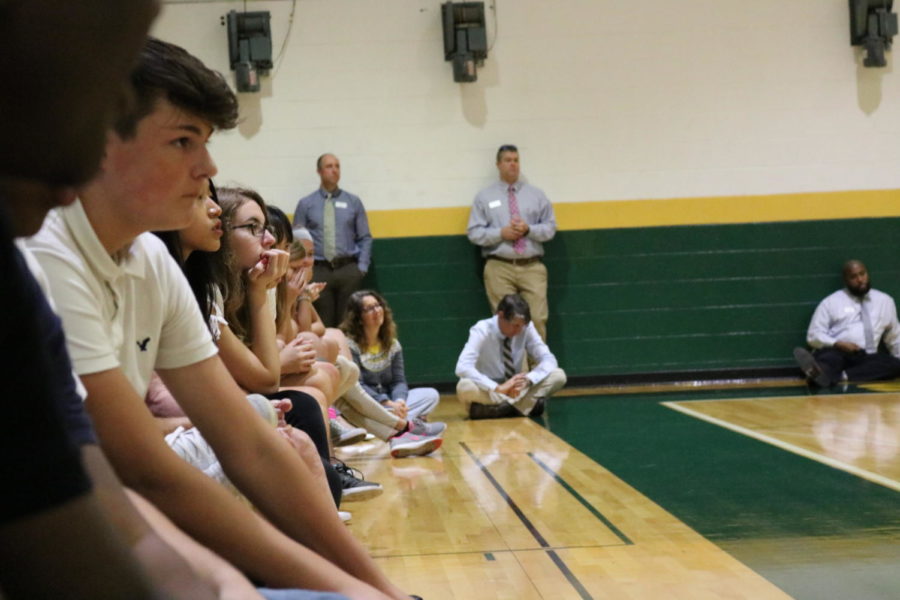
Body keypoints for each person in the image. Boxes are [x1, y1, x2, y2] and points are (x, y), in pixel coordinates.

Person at [27, 37, 407, 600]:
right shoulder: (45, 256)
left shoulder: (150, 259)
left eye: (205, 142)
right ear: (101, 141)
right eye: (183, 141)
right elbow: (143, 469)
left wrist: (380, 588)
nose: (207, 168)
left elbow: (247, 445)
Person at [467, 144, 557, 340]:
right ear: (498, 164)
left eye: (516, 160)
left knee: (537, 319)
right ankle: (516, 369)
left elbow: (550, 228)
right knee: (505, 322)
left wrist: (529, 229)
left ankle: (537, 369)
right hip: (500, 266)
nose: (513, 165)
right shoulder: (485, 197)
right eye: (508, 161)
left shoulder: (536, 196)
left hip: (531, 265)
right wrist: (501, 233)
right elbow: (474, 233)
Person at [455, 294, 567, 419]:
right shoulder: (482, 329)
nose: (519, 330)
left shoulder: (526, 327)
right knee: (464, 386)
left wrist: (528, 380)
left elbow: (549, 359)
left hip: (517, 389)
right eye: (515, 325)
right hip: (490, 389)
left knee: (559, 375)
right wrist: (498, 387)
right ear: (501, 315)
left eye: (522, 325)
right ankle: (524, 406)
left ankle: (498, 409)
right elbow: (462, 367)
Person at [293, 153, 373, 327]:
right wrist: (302, 268)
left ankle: (347, 354)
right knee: (323, 321)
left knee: (349, 322)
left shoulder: (353, 202)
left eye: (337, 166)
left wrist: (361, 268)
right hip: (319, 270)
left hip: (348, 271)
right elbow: (297, 240)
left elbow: (365, 237)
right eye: (329, 166)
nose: (334, 170)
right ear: (319, 171)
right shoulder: (306, 204)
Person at [794, 259, 900, 387]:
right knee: (830, 360)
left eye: (862, 274)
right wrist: (838, 343)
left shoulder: (885, 301)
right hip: (837, 352)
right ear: (845, 280)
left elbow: (894, 338)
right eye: (854, 277)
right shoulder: (831, 302)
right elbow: (813, 336)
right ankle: (818, 372)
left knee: (893, 364)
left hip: (866, 356)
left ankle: (838, 376)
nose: (860, 280)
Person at [341, 290, 441, 423]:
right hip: (368, 403)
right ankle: (405, 421)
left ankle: (393, 420)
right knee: (357, 407)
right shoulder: (350, 346)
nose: (377, 311)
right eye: (370, 309)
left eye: (378, 305)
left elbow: (399, 381)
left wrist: (399, 401)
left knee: (430, 395)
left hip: (391, 403)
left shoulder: (393, 345)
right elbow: (359, 386)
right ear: (358, 318)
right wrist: (385, 402)